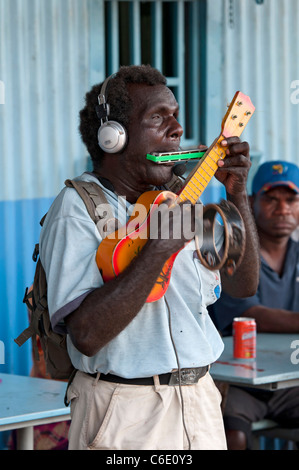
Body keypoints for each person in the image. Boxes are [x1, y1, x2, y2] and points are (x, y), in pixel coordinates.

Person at [39, 64, 259, 450]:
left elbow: (243, 285)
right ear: (113, 137)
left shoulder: (182, 199)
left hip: (201, 402)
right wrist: (158, 248)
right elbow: (86, 335)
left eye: (175, 117)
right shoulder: (77, 208)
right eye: (158, 118)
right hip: (124, 414)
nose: (176, 129)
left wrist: (237, 196)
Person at [210, 160, 299, 450]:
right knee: (232, 435)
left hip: (289, 380)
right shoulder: (235, 252)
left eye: (291, 199)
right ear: (250, 201)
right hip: (240, 382)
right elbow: (248, 312)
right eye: (271, 198)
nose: (283, 208)